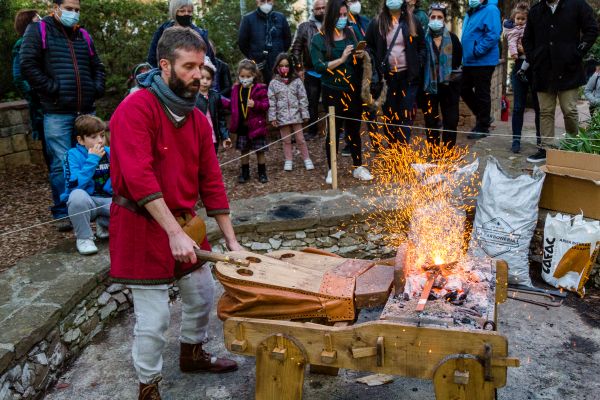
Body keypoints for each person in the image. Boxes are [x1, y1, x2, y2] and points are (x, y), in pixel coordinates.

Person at [109, 27, 241, 399]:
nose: (198, 75)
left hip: (183, 222)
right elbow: (138, 176)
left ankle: (192, 353)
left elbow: (211, 180)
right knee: (154, 320)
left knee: (201, 292)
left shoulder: (198, 119)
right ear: (164, 66)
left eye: (201, 66)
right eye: (188, 67)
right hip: (140, 224)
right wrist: (173, 233)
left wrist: (232, 242)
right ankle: (148, 387)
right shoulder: (135, 109)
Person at [19, 0, 106, 231]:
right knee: (60, 163)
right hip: (57, 111)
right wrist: (52, 89)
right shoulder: (39, 30)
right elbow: (27, 64)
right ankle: (63, 210)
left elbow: (97, 66)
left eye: (77, 9)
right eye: (69, 8)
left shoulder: (83, 35)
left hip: (86, 109)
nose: (74, 13)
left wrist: (95, 88)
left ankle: (92, 206)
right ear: (55, 7)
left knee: (94, 157)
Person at [523, 0, 599, 162]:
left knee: (569, 110)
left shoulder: (577, 5)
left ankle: (573, 145)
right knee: (545, 112)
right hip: (543, 70)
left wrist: (577, 52)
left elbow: (592, 29)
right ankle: (546, 149)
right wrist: (533, 57)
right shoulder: (536, 11)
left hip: (568, 69)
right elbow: (527, 38)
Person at [311, 0, 373, 183]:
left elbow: (355, 62)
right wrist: (342, 58)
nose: (343, 19)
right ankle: (332, 169)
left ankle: (358, 166)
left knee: (354, 130)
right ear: (331, 16)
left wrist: (358, 57)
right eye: (340, 15)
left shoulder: (350, 33)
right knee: (333, 131)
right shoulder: (319, 38)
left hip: (352, 90)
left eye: (345, 15)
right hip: (332, 91)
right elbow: (319, 66)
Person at [365, 0, 426, 145]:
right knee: (390, 116)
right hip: (387, 79)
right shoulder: (377, 23)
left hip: (408, 78)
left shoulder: (412, 20)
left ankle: (402, 151)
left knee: (405, 115)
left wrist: (417, 63)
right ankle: (393, 150)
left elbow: (422, 46)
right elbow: (368, 46)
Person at [60, 115, 111, 255]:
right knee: (76, 196)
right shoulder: (72, 155)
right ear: (80, 140)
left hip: (109, 201)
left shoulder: (110, 152)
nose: (100, 141)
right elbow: (74, 186)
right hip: (87, 202)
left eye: (102, 135)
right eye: (93, 137)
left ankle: (104, 224)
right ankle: (84, 238)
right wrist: (93, 159)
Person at [422, 3, 463, 149]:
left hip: (450, 86)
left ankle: (448, 152)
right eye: (433, 17)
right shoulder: (422, 40)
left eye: (439, 17)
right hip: (429, 87)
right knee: (430, 120)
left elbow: (458, 62)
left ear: (444, 20)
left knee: (451, 120)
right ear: (428, 18)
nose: (436, 19)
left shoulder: (453, 39)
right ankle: (433, 151)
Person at [460, 0, 501, 140]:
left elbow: (494, 34)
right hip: (470, 60)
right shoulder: (472, 11)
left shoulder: (491, 9)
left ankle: (482, 127)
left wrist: (477, 51)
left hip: (483, 60)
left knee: (481, 92)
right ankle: (484, 117)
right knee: (462, 87)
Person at [12, 10, 48, 167]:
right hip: (42, 106)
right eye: (37, 18)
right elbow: (18, 77)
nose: (41, 21)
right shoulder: (21, 45)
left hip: (51, 103)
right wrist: (36, 93)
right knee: (50, 147)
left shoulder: (43, 41)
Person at [503, 3, 540, 154]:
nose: (520, 21)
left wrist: (526, 49)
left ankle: (540, 140)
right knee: (518, 106)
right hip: (519, 66)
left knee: (539, 107)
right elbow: (509, 37)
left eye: (523, 19)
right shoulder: (512, 29)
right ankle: (516, 140)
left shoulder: (535, 28)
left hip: (535, 67)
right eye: (517, 18)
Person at [268, 53, 314, 171]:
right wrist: (273, 117)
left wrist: (304, 114)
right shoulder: (273, 83)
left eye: (287, 65)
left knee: (300, 139)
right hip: (282, 116)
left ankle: (307, 158)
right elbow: (271, 101)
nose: (284, 68)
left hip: (296, 115)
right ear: (277, 66)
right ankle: (288, 160)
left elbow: (303, 98)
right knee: (286, 140)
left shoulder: (297, 81)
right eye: (281, 65)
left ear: (290, 66)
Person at [229, 59, 270, 184]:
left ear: (254, 75)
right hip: (242, 126)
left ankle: (262, 173)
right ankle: (245, 173)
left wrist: (255, 104)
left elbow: (266, 104)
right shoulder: (236, 89)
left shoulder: (260, 88)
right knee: (244, 150)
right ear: (238, 76)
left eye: (248, 76)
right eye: (242, 76)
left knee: (260, 150)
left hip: (256, 126)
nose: (245, 78)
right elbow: (232, 104)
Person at [291, 0, 326, 140]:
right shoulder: (304, 27)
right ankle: (312, 131)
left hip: (329, 69)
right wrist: (299, 68)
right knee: (311, 102)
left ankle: (336, 130)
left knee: (331, 101)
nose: (321, 10)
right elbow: (296, 49)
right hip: (311, 71)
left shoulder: (332, 24)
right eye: (318, 8)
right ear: (313, 10)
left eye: (324, 8)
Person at [146, 0, 214, 68]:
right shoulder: (162, 31)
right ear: (174, 11)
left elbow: (210, 60)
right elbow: (152, 58)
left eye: (189, 11)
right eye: (182, 11)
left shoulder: (200, 34)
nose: (186, 14)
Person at [238, 0, 292, 83]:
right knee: (260, 93)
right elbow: (242, 43)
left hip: (277, 66)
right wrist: (253, 58)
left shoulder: (281, 18)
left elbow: (287, 39)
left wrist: (279, 55)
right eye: (263, 1)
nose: (266, 3)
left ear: (273, 1)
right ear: (257, 2)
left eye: (269, 0)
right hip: (258, 67)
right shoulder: (248, 19)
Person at [196, 63, 232, 155]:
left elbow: (221, 119)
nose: (205, 81)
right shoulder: (192, 97)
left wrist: (225, 136)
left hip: (213, 138)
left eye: (208, 79)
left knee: (212, 162)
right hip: (198, 139)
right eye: (202, 78)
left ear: (212, 80)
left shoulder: (215, 96)